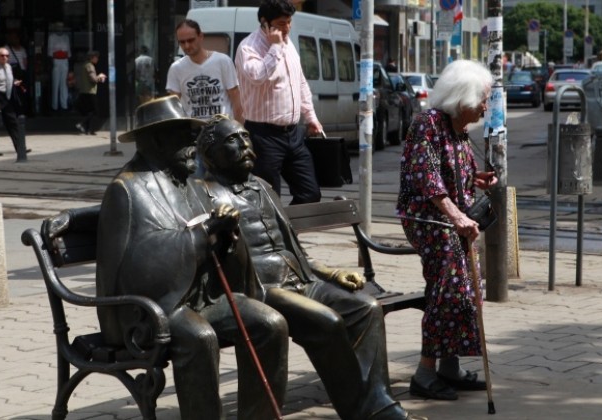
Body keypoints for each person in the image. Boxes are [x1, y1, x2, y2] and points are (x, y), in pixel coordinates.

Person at [195, 114, 426, 420]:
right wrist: (215, 226)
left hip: (301, 279)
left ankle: (379, 403)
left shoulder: (263, 187)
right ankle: (365, 412)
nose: (245, 145)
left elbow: (295, 249)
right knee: (326, 322)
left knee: (366, 308)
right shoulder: (204, 194)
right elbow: (201, 251)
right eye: (233, 140)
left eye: (246, 137)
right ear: (210, 155)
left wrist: (332, 273)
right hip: (260, 290)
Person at [94, 96, 288, 419]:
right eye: (181, 134)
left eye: (191, 133)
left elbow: (209, 238)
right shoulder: (127, 189)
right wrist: (203, 234)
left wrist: (225, 233)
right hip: (149, 309)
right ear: (155, 139)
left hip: (200, 296)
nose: (191, 142)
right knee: (200, 337)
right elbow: (142, 265)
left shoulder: (190, 182)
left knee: (271, 323)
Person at [396, 59, 498, 401]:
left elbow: (457, 174)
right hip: (427, 218)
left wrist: (478, 179)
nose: (485, 106)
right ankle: (424, 374)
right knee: (452, 283)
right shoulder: (427, 124)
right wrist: (456, 216)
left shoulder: (459, 129)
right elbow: (428, 181)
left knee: (467, 283)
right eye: (482, 99)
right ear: (462, 97)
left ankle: (449, 368)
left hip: (453, 218)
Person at [234, 0, 322, 205]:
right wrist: (274, 47)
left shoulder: (288, 44)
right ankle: (277, 235)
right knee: (268, 199)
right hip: (264, 135)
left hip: (293, 134)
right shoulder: (248, 47)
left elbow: (300, 82)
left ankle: (287, 232)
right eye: (282, 24)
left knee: (310, 193)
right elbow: (257, 77)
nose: (287, 28)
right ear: (265, 24)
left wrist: (311, 117)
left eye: (289, 22)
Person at [167, 18, 243, 177]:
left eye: (191, 40)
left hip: (222, 134)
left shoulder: (222, 61)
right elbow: (173, 106)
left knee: (225, 185)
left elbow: (236, 99)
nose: (187, 46)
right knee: (196, 186)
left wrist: (240, 131)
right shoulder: (177, 68)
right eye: (182, 42)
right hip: (194, 137)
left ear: (201, 37)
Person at [0, 47, 27, 161]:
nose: (5, 57)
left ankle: (20, 148)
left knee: (13, 122)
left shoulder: (9, 67)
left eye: (7, 56)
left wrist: (15, 82)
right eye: (2, 55)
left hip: (7, 97)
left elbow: (7, 80)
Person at [75, 51, 106, 135]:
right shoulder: (89, 66)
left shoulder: (85, 65)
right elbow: (93, 79)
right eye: (96, 57)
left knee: (89, 111)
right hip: (89, 91)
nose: (97, 59)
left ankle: (88, 130)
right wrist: (100, 77)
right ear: (92, 57)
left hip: (85, 91)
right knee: (94, 111)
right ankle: (81, 124)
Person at [48, 22, 71, 111]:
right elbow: (50, 52)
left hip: (64, 61)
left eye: (61, 27)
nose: (60, 28)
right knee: (55, 83)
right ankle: (55, 106)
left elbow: (68, 52)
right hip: (56, 60)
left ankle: (64, 105)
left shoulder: (66, 37)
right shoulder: (52, 37)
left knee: (64, 84)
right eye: (58, 27)